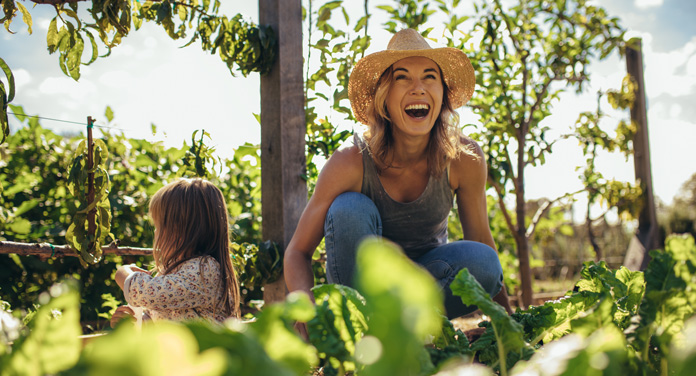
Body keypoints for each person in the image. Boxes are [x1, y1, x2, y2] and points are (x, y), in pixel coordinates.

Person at [284, 29, 512, 335]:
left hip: (430, 283)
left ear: (443, 94)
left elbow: (483, 242)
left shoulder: (464, 158)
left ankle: (409, 331)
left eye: (430, 77)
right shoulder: (350, 162)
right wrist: (305, 306)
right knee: (349, 208)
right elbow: (297, 252)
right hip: (363, 294)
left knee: (484, 261)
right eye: (402, 78)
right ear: (384, 98)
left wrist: (508, 321)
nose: (418, 88)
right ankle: (363, 332)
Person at [110, 178, 241, 327]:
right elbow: (161, 317)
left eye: (158, 226)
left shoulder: (204, 270)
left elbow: (147, 293)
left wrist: (123, 273)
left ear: (179, 230)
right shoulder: (174, 270)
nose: (155, 232)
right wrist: (135, 322)